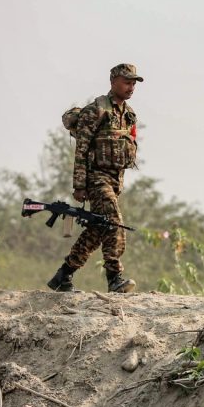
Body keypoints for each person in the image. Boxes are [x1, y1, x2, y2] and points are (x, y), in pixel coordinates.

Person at [47, 64, 143, 293]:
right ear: (113, 82)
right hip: (96, 178)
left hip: (114, 180)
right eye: (126, 82)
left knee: (98, 229)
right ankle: (114, 277)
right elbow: (81, 149)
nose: (130, 87)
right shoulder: (96, 111)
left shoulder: (128, 114)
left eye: (133, 83)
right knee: (114, 222)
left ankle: (64, 274)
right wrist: (79, 185)